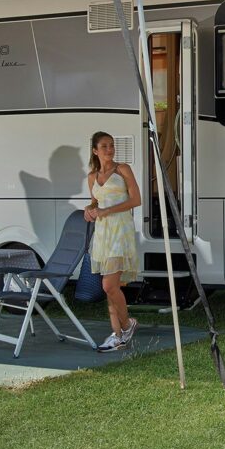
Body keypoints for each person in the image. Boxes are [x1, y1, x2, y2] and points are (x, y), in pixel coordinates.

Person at [84, 132, 142, 352]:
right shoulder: (92, 176)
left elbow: (136, 199)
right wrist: (88, 210)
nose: (109, 149)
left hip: (120, 231)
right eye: (104, 146)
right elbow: (95, 202)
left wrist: (106, 211)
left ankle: (127, 325)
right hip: (103, 234)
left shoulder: (122, 169)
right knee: (112, 287)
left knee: (108, 285)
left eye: (112, 145)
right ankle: (117, 335)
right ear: (95, 151)